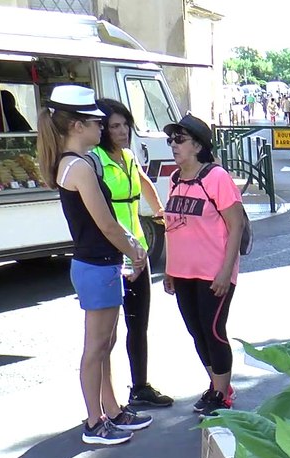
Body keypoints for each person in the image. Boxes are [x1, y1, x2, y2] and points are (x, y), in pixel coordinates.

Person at [38, 85, 151, 445]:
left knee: (105, 343)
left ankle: (111, 410)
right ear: (76, 126)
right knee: (96, 347)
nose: (102, 128)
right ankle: (94, 421)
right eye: (96, 122)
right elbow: (106, 223)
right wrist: (135, 249)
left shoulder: (75, 163)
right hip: (97, 264)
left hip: (97, 264)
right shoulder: (79, 167)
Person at [91, 97, 173, 409]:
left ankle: (140, 387)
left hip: (139, 250)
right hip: (113, 255)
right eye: (115, 126)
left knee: (138, 325)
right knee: (107, 335)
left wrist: (162, 213)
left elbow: (144, 181)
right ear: (102, 129)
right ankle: (105, 401)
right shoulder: (95, 161)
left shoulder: (126, 156)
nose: (123, 131)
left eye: (125, 124)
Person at [161, 114, 245, 417]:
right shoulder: (175, 179)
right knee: (196, 332)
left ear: (197, 146)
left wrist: (226, 271)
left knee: (213, 331)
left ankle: (222, 394)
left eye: (179, 140)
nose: (173, 145)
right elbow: (172, 227)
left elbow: (235, 225)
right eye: (171, 140)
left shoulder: (216, 178)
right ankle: (216, 385)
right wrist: (170, 268)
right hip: (183, 272)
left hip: (213, 272)